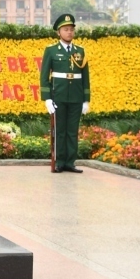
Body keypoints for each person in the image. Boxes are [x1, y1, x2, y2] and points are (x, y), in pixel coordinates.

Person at [40, 13, 90, 174]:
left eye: (71, 29)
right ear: (59, 32)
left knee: (72, 131)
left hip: (75, 97)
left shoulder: (80, 51)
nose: (69, 32)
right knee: (60, 130)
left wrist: (86, 100)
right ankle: (60, 161)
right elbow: (44, 76)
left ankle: (70, 162)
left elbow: (85, 77)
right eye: (66, 29)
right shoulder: (51, 50)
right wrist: (47, 99)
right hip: (58, 97)